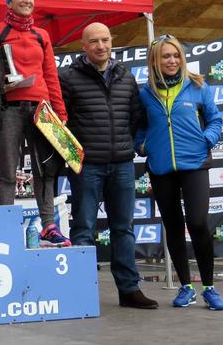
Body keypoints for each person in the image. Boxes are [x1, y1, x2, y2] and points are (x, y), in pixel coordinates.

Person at [59, 22, 158, 309]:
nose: (100, 46)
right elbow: (62, 123)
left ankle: (129, 290)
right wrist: (78, 155)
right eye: (94, 41)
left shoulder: (126, 77)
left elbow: (135, 118)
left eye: (105, 40)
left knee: (124, 228)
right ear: (84, 46)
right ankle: (80, 292)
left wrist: (125, 146)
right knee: (83, 228)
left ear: (111, 42)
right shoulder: (68, 77)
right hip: (87, 166)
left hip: (122, 164)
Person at [137, 34, 223, 310]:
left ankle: (209, 288)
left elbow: (215, 119)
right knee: (173, 226)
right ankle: (186, 287)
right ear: (155, 61)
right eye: (166, 56)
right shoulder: (145, 93)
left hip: (195, 164)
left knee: (197, 222)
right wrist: (143, 145)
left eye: (176, 55)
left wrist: (206, 139)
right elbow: (139, 126)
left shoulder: (197, 86)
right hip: (161, 167)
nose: (172, 61)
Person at [0, 0, 71, 247]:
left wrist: (60, 111)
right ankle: (5, 227)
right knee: (7, 171)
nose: (27, 0)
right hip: (8, 108)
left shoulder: (41, 35)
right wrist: (0, 85)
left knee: (44, 168)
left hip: (41, 109)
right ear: (9, 2)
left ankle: (49, 226)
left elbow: (51, 75)